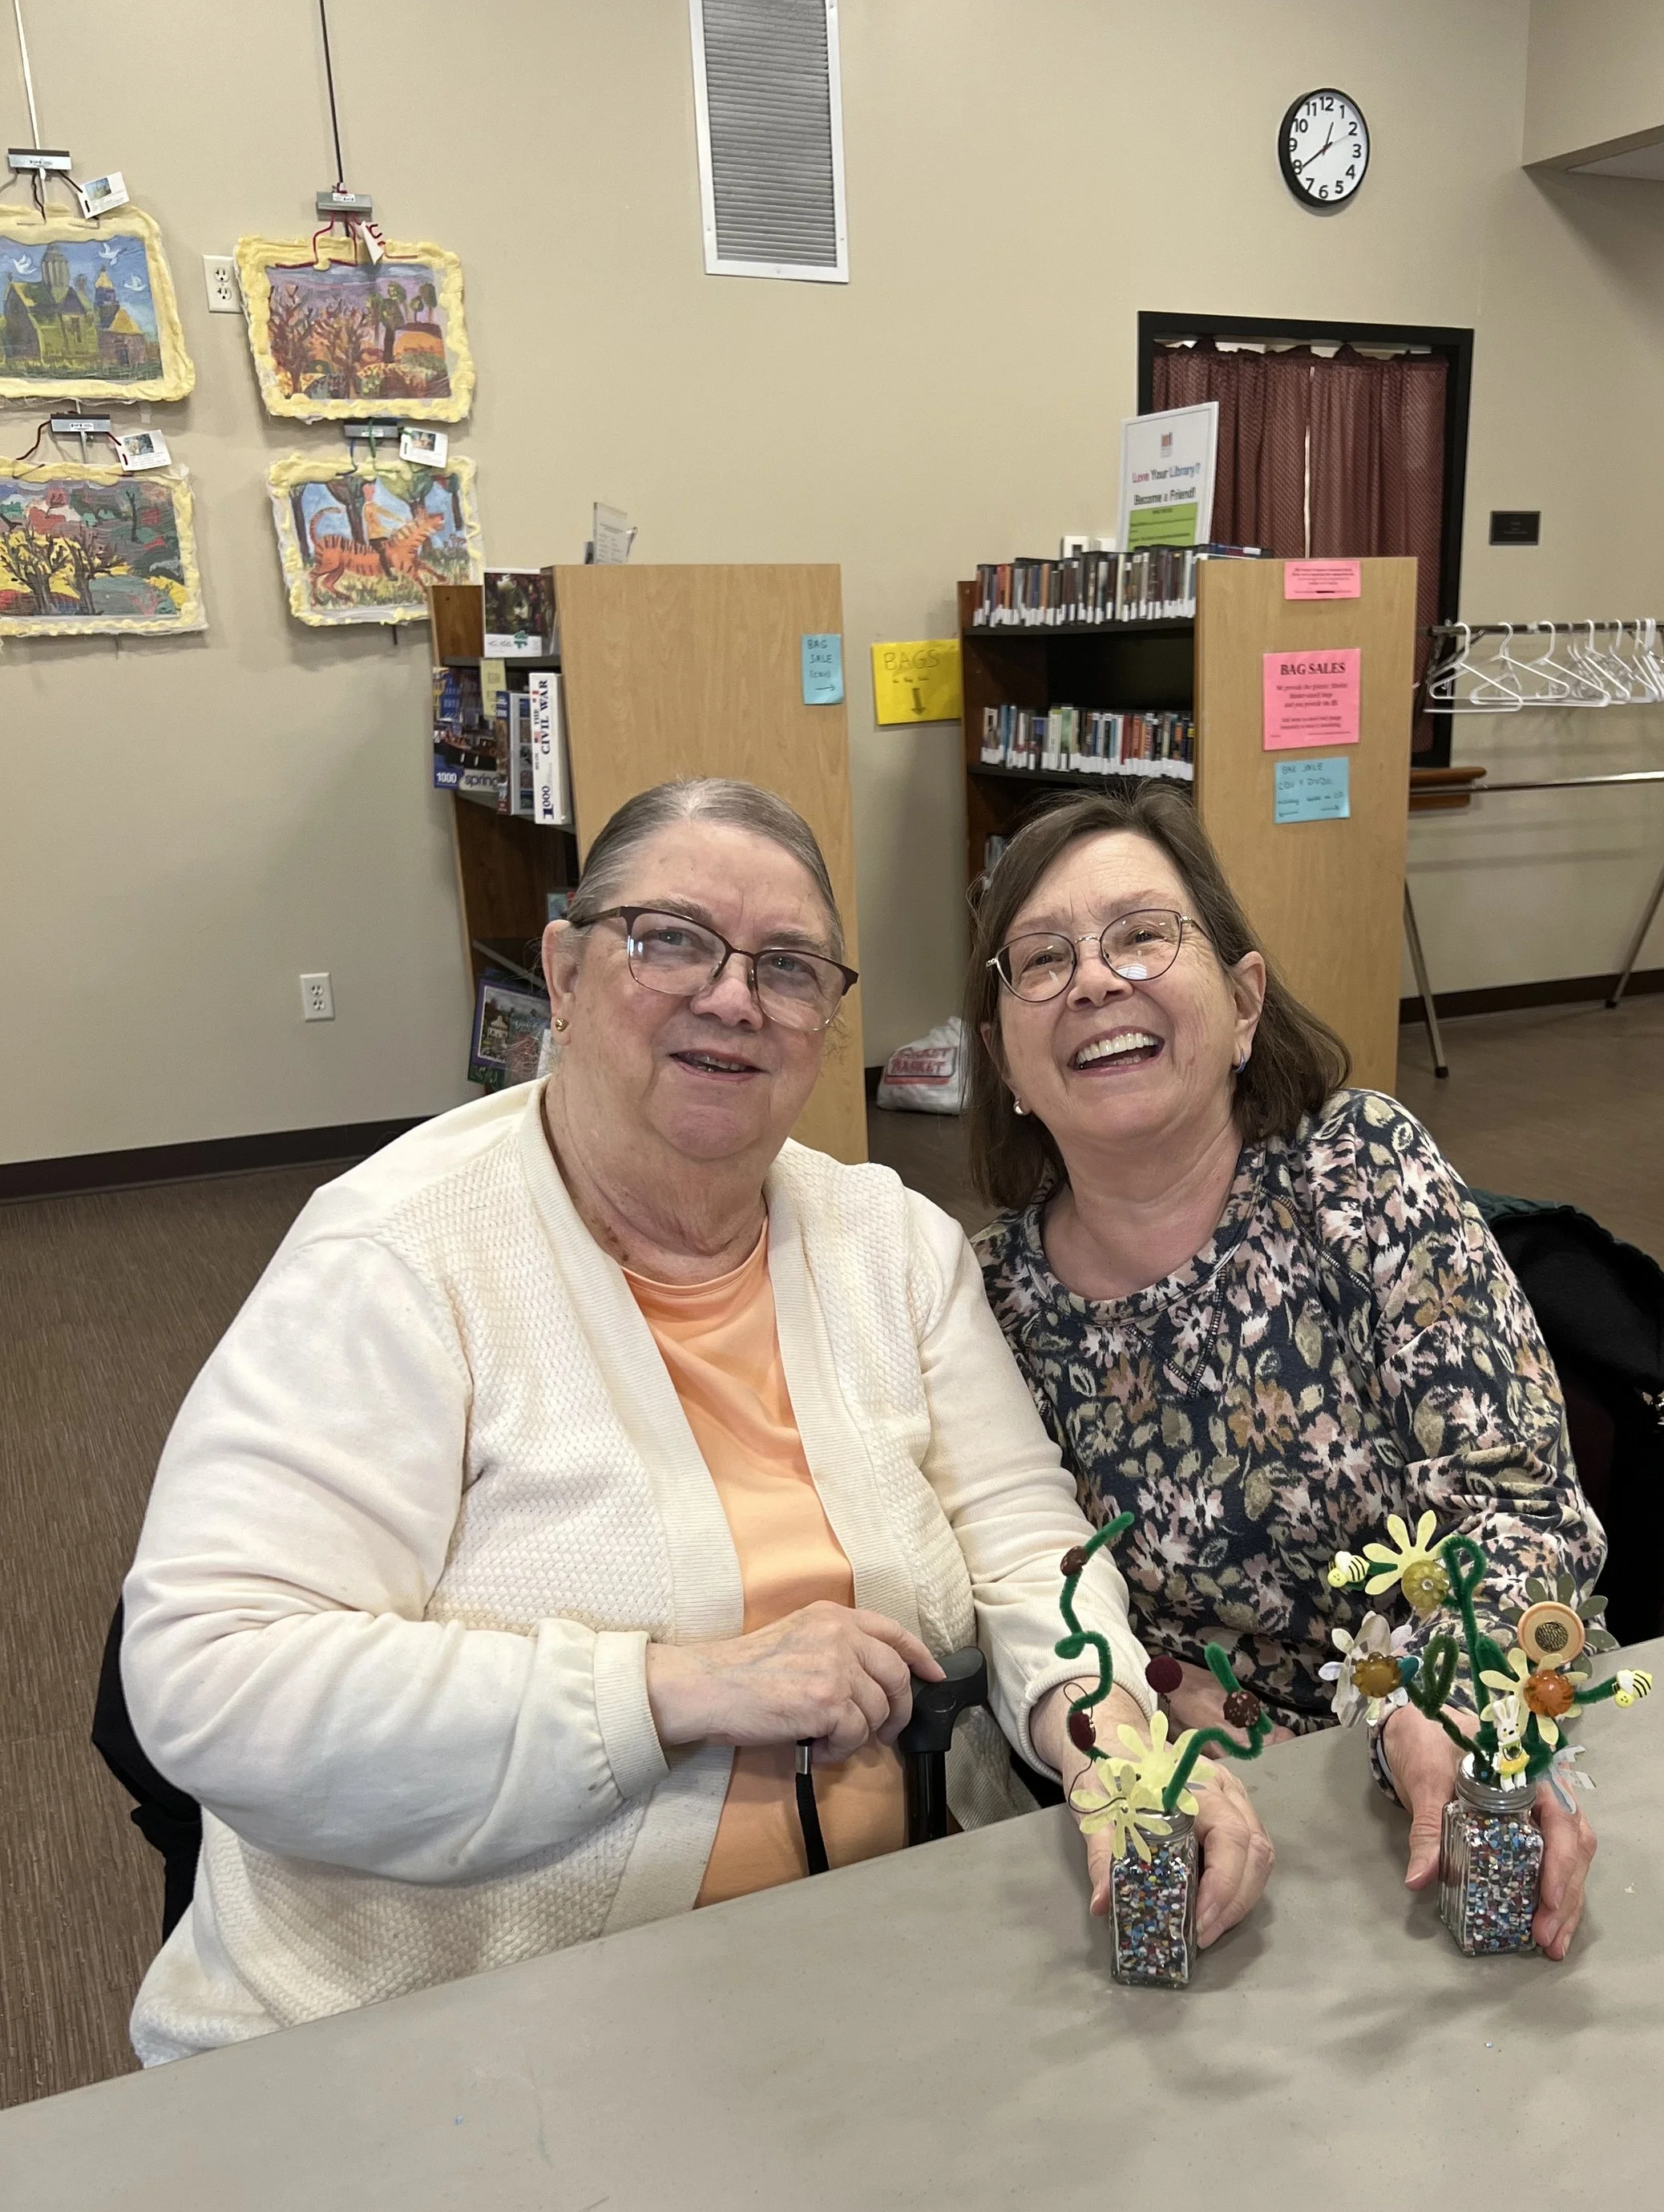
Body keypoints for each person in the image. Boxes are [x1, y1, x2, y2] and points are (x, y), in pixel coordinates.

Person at [120, 778, 1273, 2062]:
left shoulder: (891, 1244)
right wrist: (667, 1687)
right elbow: (211, 1677)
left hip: (875, 1964)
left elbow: (1022, 1549)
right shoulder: (399, 1255)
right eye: (669, 938)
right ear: (562, 972)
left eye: (787, 967)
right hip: (457, 2032)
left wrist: (1110, 1739)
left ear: (830, 1025)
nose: (731, 996)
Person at [968, 786, 1605, 1960]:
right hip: (1196, 1824)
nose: (1096, 981)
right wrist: (1150, 1721)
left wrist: (1441, 1698)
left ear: (1245, 1000)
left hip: (1439, 1782)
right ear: (1006, 1059)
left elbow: (1513, 1500)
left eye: (1143, 935)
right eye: (1042, 961)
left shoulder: (1358, 1170)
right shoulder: (985, 1302)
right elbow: (1028, 1599)